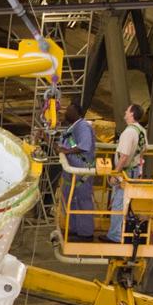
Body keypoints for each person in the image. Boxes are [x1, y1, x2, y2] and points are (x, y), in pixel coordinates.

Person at [106, 102, 148, 242]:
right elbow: (143, 151)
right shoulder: (141, 131)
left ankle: (115, 236)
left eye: (127, 110)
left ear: (132, 114)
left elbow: (123, 156)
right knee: (125, 202)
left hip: (125, 173)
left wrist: (115, 173)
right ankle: (117, 233)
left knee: (118, 203)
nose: (125, 112)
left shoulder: (128, 132)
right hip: (134, 170)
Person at [59, 102, 96, 240]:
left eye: (68, 110)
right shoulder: (72, 128)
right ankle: (74, 230)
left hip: (82, 172)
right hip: (73, 172)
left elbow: (84, 146)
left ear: (76, 113)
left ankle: (86, 234)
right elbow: (62, 147)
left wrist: (67, 151)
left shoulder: (83, 127)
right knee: (71, 200)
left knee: (82, 200)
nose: (65, 113)